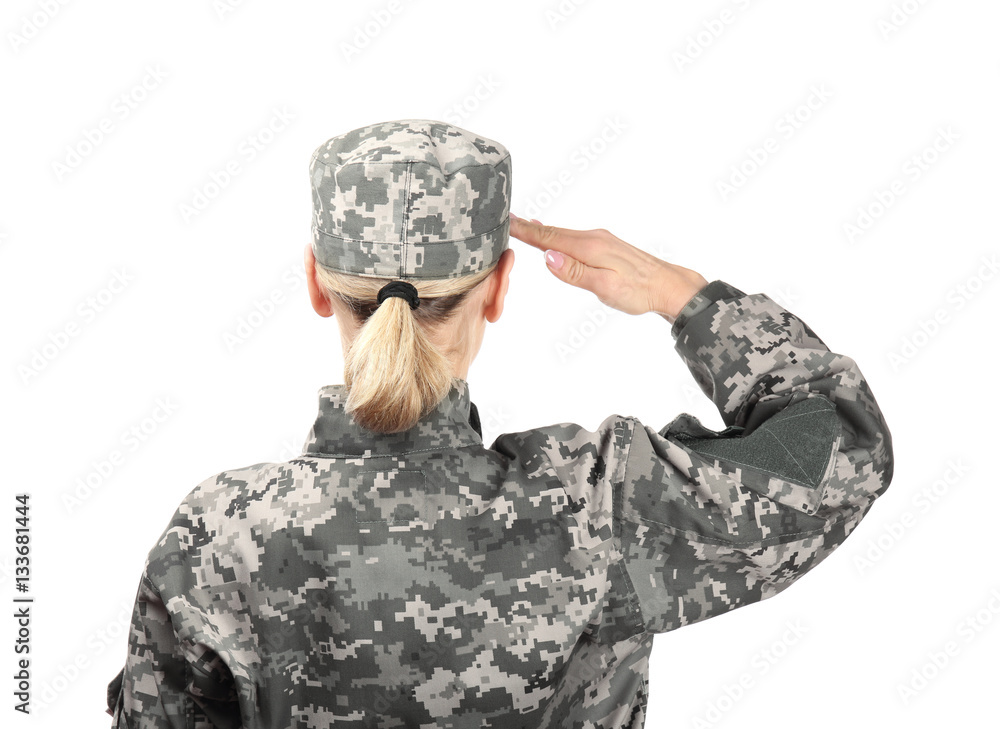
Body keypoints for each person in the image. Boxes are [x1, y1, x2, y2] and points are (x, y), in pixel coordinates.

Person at [106, 119, 894, 728]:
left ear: (316, 282)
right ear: (500, 287)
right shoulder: (596, 510)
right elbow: (840, 449)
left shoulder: (216, 535)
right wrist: (680, 295)